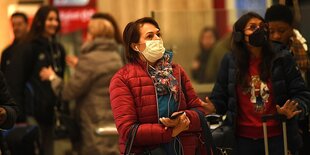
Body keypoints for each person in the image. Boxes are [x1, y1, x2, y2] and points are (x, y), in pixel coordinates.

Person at [204, 12, 310, 155]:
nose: (259, 30)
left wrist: (293, 109)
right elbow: (221, 98)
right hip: (242, 140)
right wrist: (214, 106)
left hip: (278, 137)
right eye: (252, 27)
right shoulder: (230, 60)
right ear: (240, 35)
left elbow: (302, 94)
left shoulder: (282, 57)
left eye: (262, 26)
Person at [109, 17, 214, 155]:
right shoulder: (122, 79)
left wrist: (183, 119)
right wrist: (170, 132)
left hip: (184, 149)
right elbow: (128, 130)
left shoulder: (176, 71)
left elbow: (198, 111)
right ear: (135, 46)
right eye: (149, 36)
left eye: (158, 34)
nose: (157, 39)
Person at [40, 18, 123, 154]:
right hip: (112, 118)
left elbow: (68, 92)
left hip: (93, 120)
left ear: (93, 35)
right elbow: (99, 75)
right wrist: (80, 66)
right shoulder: (115, 56)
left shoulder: (89, 59)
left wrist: (52, 77)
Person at [7, 6, 66, 155]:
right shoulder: (28, 47)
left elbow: (61, 81)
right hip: (32, 114)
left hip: (53, 114)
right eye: (50, 19)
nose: (54, 23)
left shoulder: (59, 49)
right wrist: (18, 114)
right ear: (40, 22)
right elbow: (15, 82)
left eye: (56, 20)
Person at [265, 4, 310, 155]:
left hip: (301, 115)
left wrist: (299, 109)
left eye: (281, 31)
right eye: (271, 31)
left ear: (291, 29)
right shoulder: (262, 54)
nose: (276, 36)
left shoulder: (303, 49)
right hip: (276, 121)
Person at [1, 12, 28, 122]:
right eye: (14, 25)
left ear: (27, 25)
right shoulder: (7, 52)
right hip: (13, 112)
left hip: (32, 111)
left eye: (19, 24)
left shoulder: (34, 49)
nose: (16, 28)